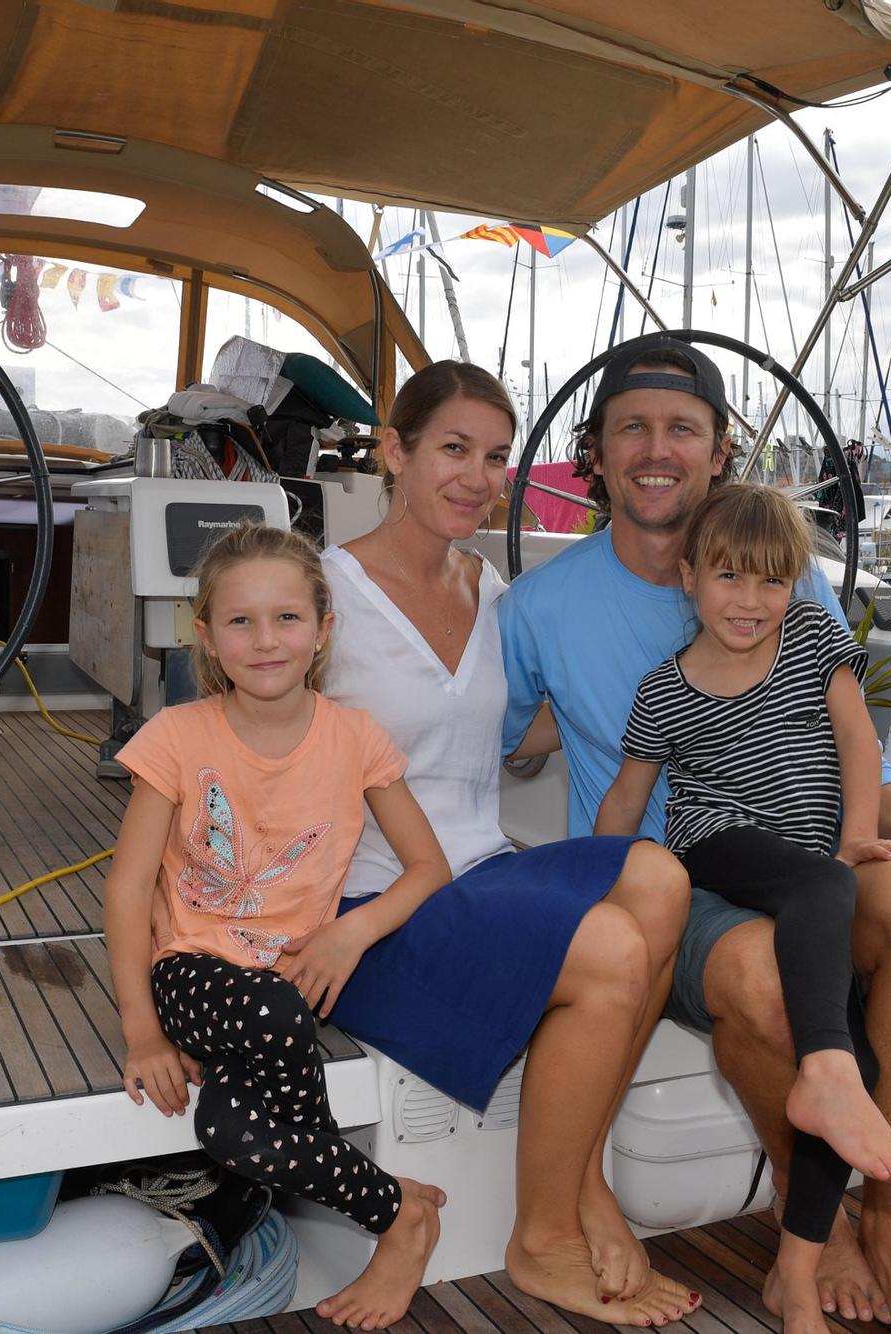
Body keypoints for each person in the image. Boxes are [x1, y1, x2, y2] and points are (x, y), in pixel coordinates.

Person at [502, 338, 891, 1334]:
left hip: (811, 845)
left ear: (718, 450)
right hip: (676, 882)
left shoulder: (788, 584)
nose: (654, 447)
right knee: (766, 971)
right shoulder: (538, 607)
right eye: (629, 426)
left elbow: (856, 745)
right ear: (592, 450)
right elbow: (497, 744)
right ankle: (804, 1223)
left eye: (680, 427)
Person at [321, 360, 700, 1327]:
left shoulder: (489, 589)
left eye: (495, 456)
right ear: (394, 452)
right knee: (613, 946)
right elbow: (238, 757)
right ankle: (546, 1236)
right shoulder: (323, 595)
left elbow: (515, 733)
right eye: (452, 449)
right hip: (369, 904)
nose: (478, 476)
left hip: (478, 871)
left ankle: (582, 1182)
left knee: (659, 877)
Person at [594, 482, 891, 1334]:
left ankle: (796, 1270)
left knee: (856, 1051)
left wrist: (858, 836)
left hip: (811, 862)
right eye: (729, 577)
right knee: (826, 891)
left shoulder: (814, 637)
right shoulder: (664, 690)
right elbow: (627, 802)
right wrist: (598, 887)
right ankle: (827, 1079)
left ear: (794, 586)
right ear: (690, 578)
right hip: (717, 845)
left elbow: (858, 740)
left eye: (772, 581)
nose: (750, 601)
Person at [103, 523, 450, 1331]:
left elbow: (428, 868)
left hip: (292, 982)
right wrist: (143, 1032)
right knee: (270, 1011)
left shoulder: (356, 738)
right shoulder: (177, 738)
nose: (267, 640)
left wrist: (346, 937)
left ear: (323, 630)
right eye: (242, 622)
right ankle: (398, 1217)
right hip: (193, 971)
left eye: (288, 618)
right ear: (208, 639)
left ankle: (331, 1191)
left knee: (230, 1128)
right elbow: (126, 891)